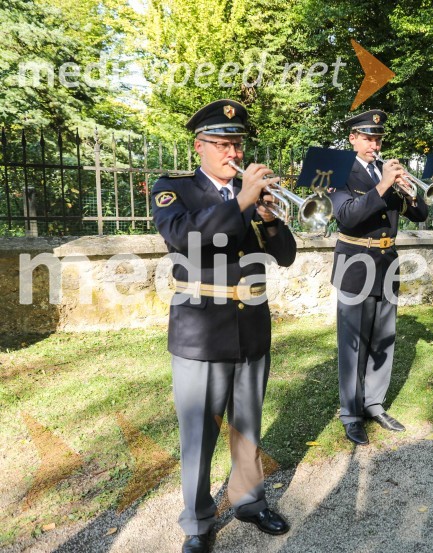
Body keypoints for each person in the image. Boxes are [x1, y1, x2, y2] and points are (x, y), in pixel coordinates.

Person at [151, 99, 296, 553]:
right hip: (201, 331)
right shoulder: (175, 189)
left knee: (247, 426)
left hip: (251, 326)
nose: (233, 152)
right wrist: (244, 200)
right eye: (222, 144)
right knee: (199, 433)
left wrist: (270, 221)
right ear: (199, 147)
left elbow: (286, 256)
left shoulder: (250, 195)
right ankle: (196, 522)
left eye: (237, 144)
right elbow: (186, 241)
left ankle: (249, 500)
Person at [329, 109, 428, 446]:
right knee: (353, 346)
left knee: (384, 339)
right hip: (355, 266)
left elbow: (421, 213)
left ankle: (374, 404)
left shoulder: (388, 172)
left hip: (387, 264)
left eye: (378, 138)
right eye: (368, 138)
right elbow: (347, 216)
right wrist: (384, 184)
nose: (374, 143)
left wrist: (409, 189)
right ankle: (351, 413)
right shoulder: (340, 173)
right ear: (353, 139)